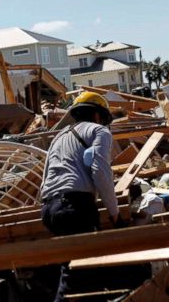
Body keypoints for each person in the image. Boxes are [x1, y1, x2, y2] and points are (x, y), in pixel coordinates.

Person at [39, 91, 123, 300]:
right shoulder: (99, 131)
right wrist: (114, 213)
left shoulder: (59, 137)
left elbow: (46, 176)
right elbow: (100, 171)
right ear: (98, 115)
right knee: (77, 274)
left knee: (84, 273)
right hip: (74, 207)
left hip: (50, 209)